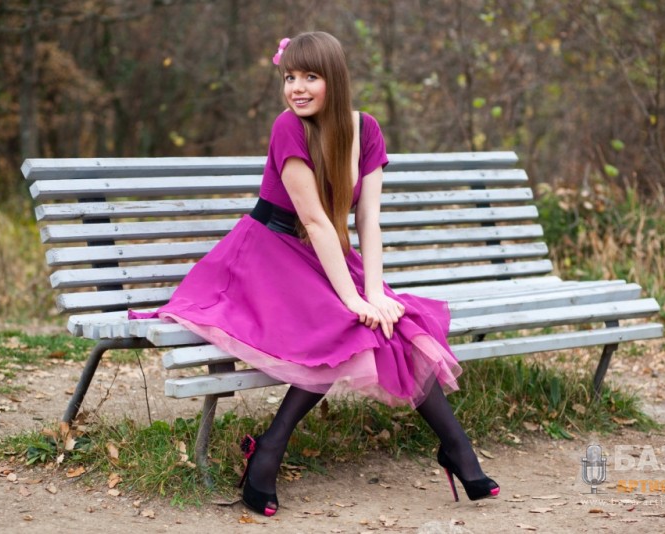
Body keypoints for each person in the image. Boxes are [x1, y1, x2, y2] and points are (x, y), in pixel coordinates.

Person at [130, 31, 498, 516]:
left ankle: (457, 449)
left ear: (335, 80)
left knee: (394, 323)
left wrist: (373, 291)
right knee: (347, 323)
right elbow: (316, 219)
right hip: (265, 255)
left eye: (310, 77)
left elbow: (367, 219)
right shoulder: (288, 127)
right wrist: (354, 301)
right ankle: (269, 451)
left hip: (322, 255)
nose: (297, 88)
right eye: (289, 78)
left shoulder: (366, 130)